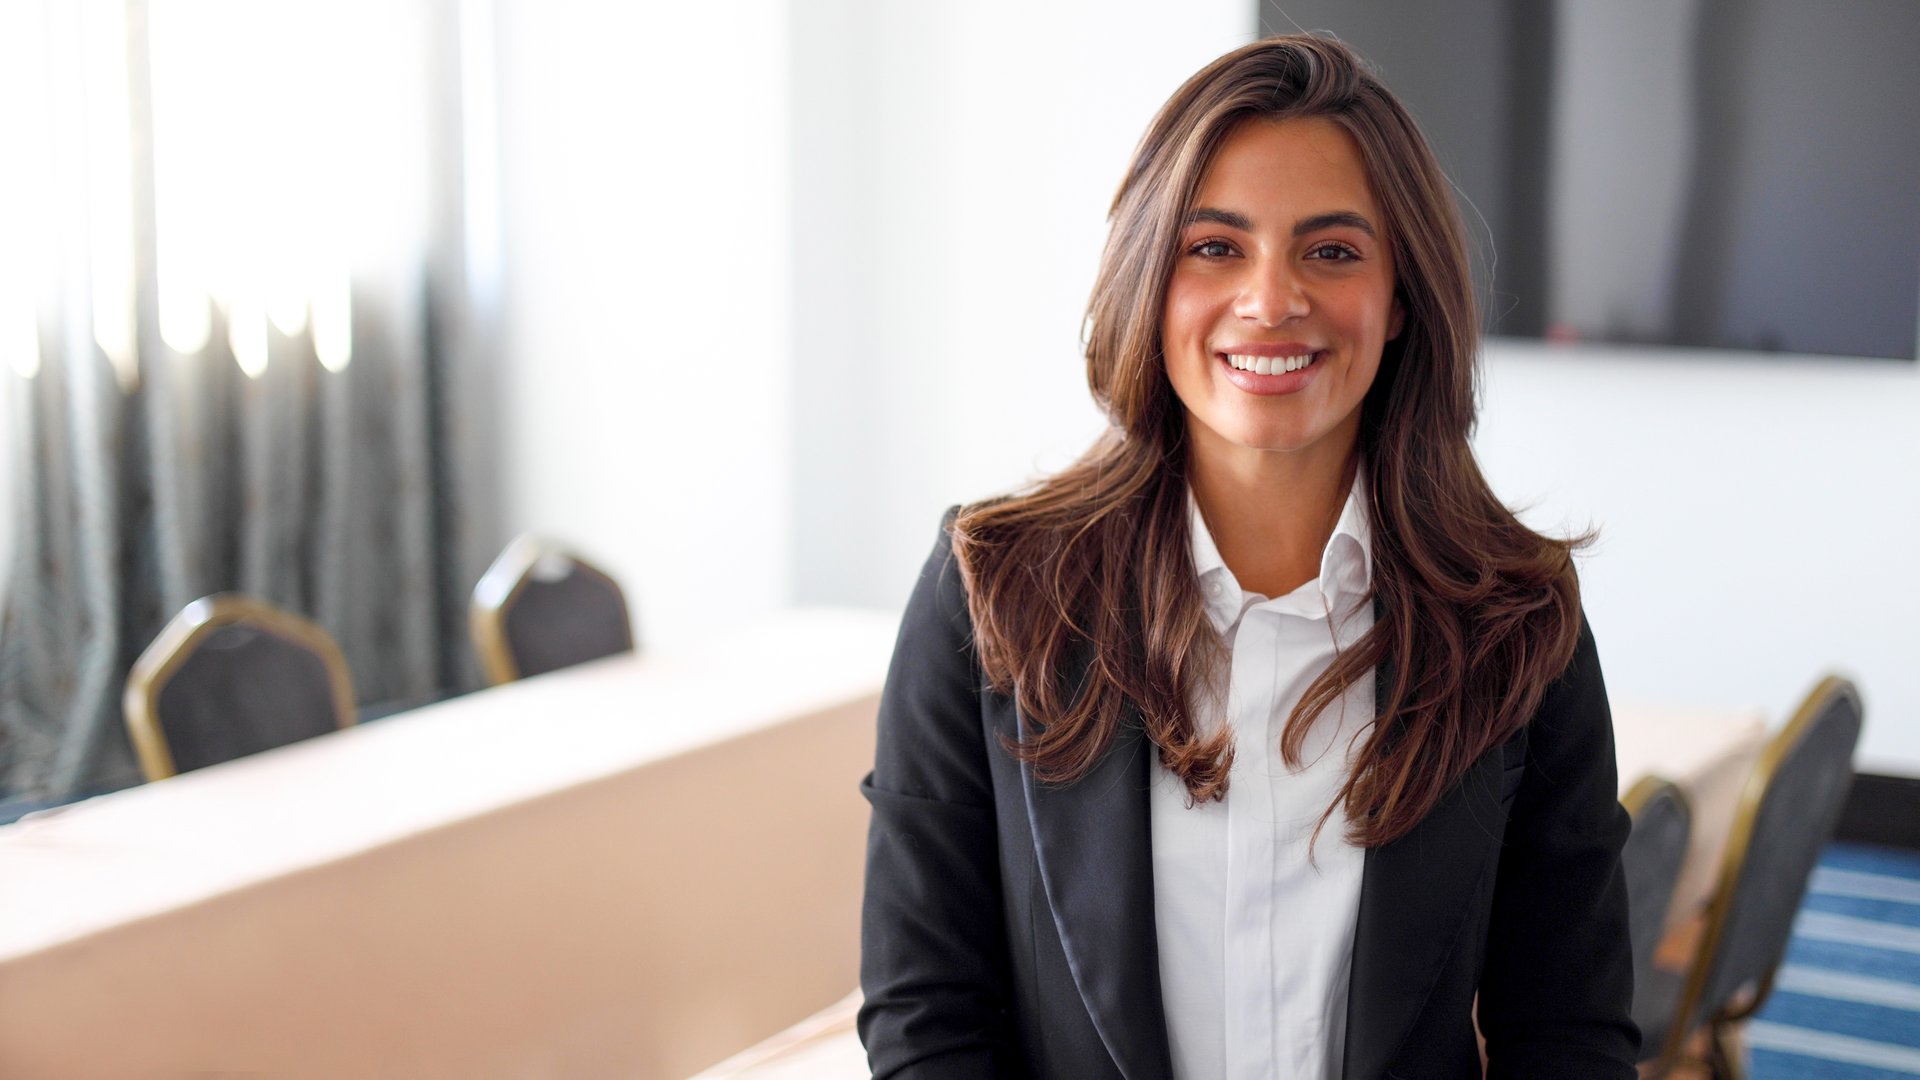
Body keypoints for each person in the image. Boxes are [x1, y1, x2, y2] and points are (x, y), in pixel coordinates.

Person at [857, 33, 1639, 1080]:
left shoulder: (1519, 617)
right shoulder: (991, 591)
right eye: (1215, 247)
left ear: (1401, 295)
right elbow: (928, 1016)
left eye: (1332, 250)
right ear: (1150, 278)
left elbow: (1569, 1034)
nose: (1271, 300)